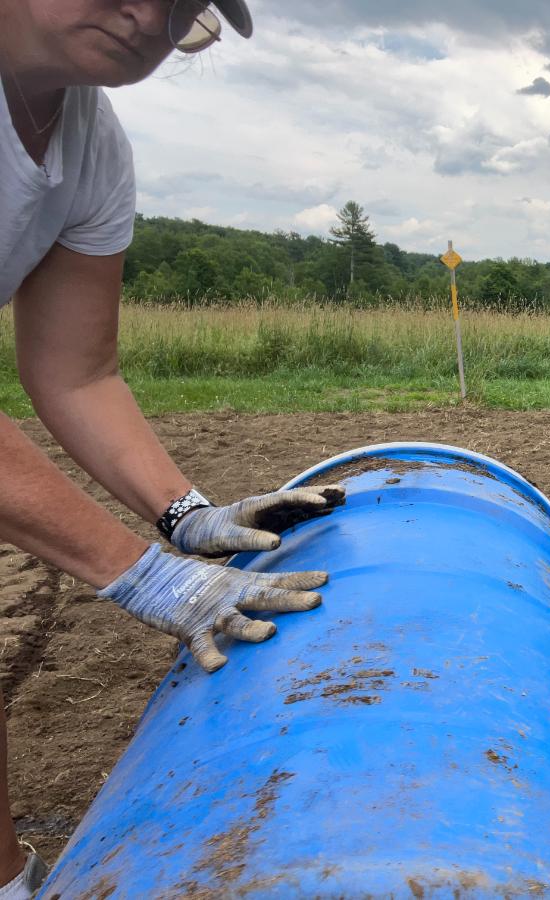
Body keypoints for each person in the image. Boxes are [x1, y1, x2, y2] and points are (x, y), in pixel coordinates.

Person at [0, 2, 342, 896]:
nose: (148, 13)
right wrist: (149, 579)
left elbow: (76, 375)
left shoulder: (90, 144)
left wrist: (187, 522)